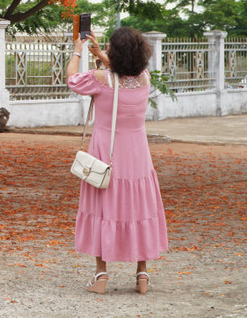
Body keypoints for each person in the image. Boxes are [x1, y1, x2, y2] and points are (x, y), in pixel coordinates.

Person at [67, 27, 168, 295]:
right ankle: (142, 275)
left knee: (103, 207)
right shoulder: (145, 78)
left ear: (116, 51)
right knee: (139, 207)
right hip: (137, 153)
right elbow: (125, 75)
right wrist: (101, 54)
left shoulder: (101, 79)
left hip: (106, 151)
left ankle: (101, 275)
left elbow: (72, 79)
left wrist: (78, 50)